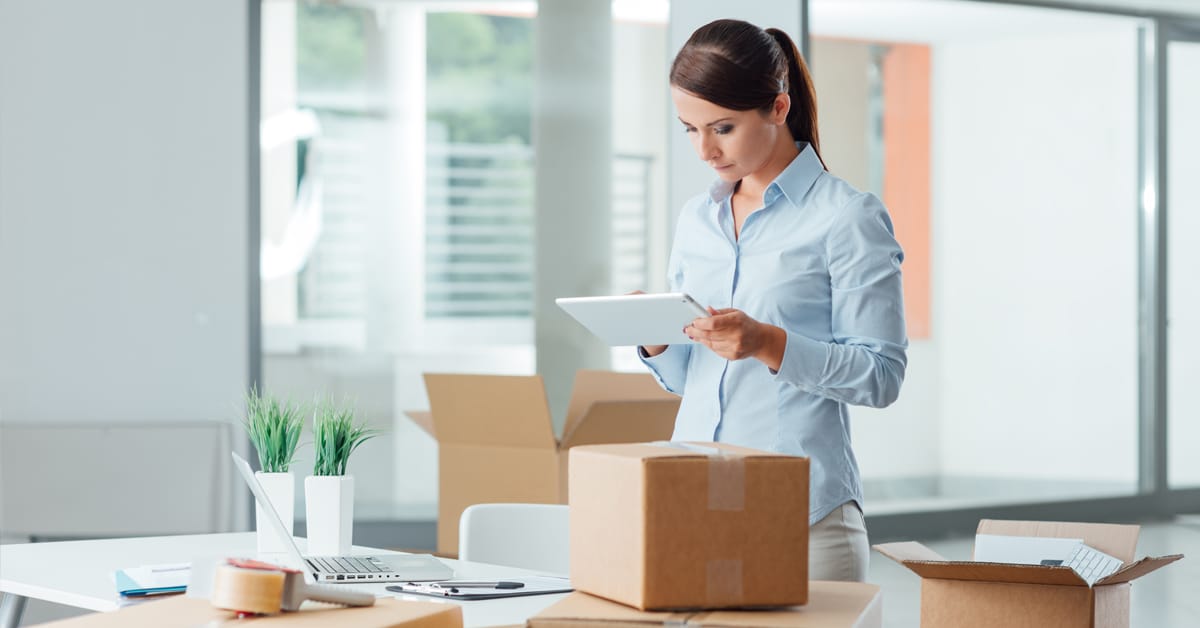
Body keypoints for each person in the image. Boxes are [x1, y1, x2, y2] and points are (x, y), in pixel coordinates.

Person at [638, 19, 908, 582]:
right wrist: (657, 340)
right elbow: (695, 379)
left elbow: (881, 376)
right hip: (693, 501)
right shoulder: (697, 219)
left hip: (801, 517)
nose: (705, 149)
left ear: (779, 108)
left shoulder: (847, 217)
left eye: (723, 127)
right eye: (689, 129)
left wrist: (768, 342)